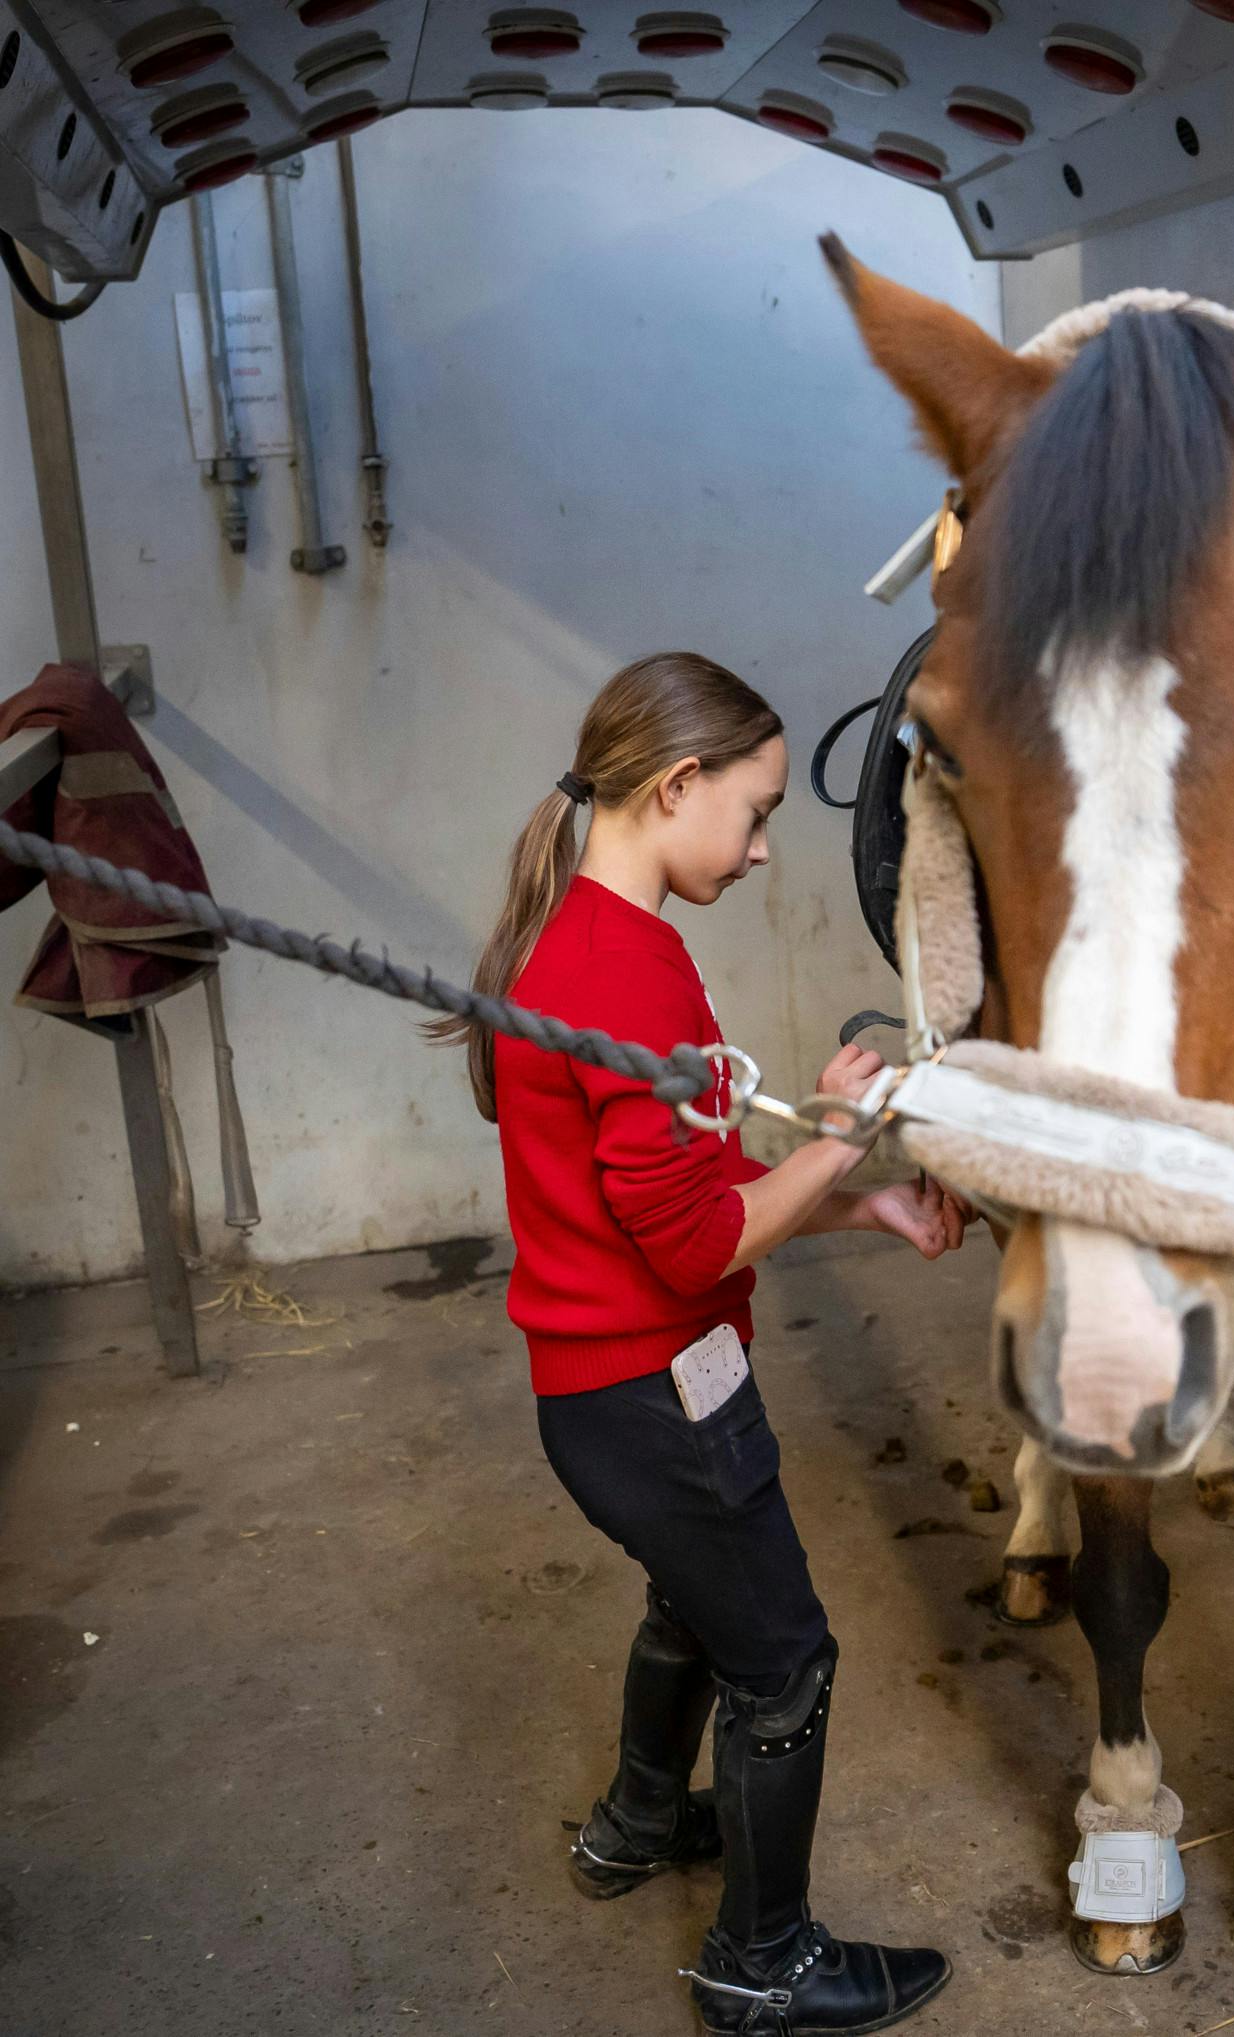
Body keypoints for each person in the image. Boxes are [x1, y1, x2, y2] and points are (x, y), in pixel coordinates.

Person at [436, 652, 963, 2035]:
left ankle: (635, 1824)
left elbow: (678, 1198)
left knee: (695, 1600)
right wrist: (848, 1133)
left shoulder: (581, 935)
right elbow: (692, 1245)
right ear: (676, 787)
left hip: (599, 1392)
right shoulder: (630, 971)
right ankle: (764, 1960)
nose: (768, 843)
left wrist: (866, 1201)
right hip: (655, 1397)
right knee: (784, 1659)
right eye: (756, 807)